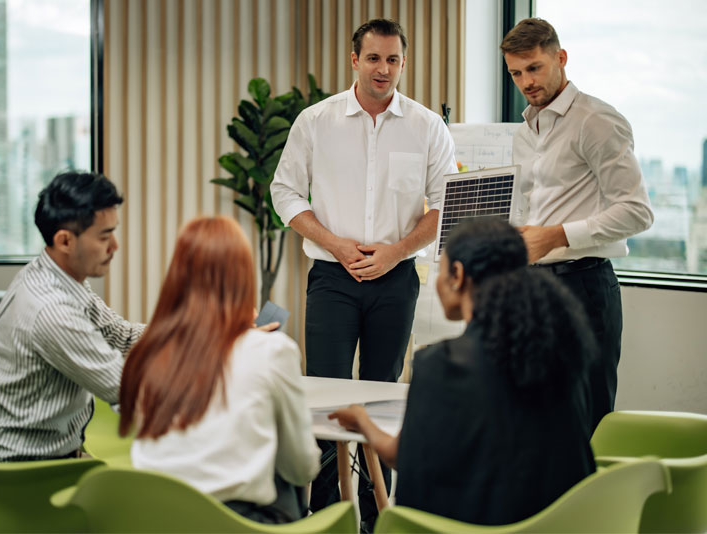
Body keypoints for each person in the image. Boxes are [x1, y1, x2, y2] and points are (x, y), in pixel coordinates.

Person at [270, 18, 457, 527]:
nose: (384, 69)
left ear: (403, 62)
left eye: (393, 59)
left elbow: (444, 204)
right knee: (328, 399)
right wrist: (334, 242)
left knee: (383, 396)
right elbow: (283, 192)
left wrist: (396, 251)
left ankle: (378, 516)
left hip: (396, 280)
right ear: (354, 60)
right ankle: (329, 512)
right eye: (374, 58)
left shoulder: (426, 126)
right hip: (332, 278)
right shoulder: (316, 121)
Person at [330, 218, 597, 525]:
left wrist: (363, 422)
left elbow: (404, 456)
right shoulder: (561, 352)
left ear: (457, 274)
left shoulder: (441, 364)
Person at [500, 18, 654, 432]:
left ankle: (594, 500)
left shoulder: (596, 121)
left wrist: (555, 236)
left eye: (534, 67)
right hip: (533, 289)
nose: (526, 81)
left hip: (583, 286)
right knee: (536, 422)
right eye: (516, 73)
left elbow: (637, 210)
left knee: (587, 422)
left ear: (560, 58)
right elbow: (532, 209)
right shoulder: (524, 132)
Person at [119, 216, 320, 524]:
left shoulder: (149, 351)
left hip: (155, 519)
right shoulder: (271, 351)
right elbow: (302, 468)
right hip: (236, 523)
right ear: (242, 279)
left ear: (177, 277)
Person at [0, 171, 144, 462]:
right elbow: (125, 389)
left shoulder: (58, 277)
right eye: (105, 236)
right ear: (65, 241)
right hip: (23, 469)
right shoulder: (52, 309)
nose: (115, 246)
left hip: (55, 450)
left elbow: (123, 335)